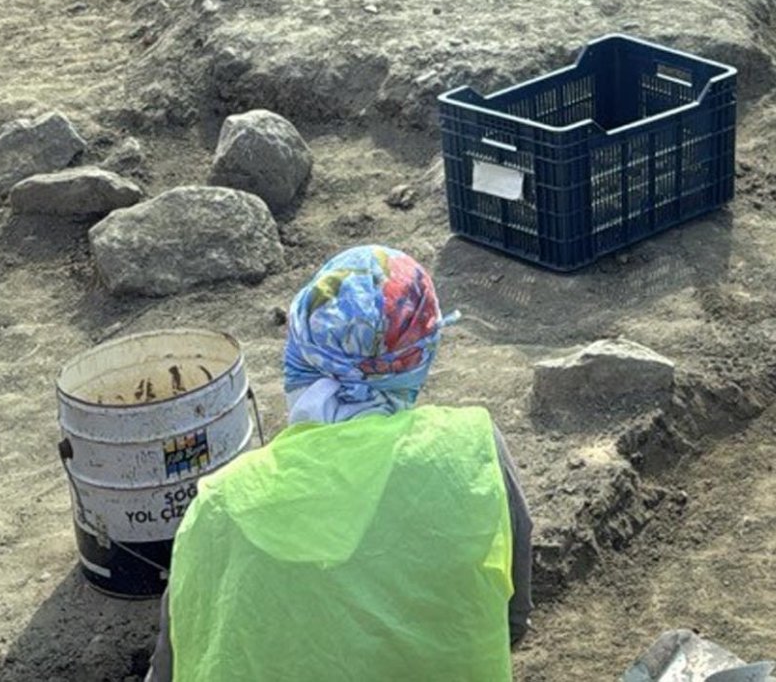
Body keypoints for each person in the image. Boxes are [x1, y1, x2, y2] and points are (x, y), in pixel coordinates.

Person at [149, 245, 530, 681]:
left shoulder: (220, 507)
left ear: (300, 350)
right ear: (419, 357)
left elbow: (171, 666)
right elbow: (513, 619)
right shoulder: (472, 450)